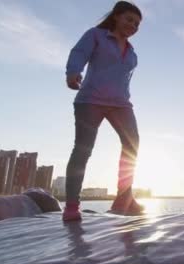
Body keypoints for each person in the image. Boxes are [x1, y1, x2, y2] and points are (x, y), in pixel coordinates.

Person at [63, 1, 144, 221]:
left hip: (121, 104)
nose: (133, 26)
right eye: (129, 19)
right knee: (83, 150)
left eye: (137, 24)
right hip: (90, 100)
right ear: (116, 16)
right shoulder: (96, 35)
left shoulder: (131, 51)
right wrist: (73, 72)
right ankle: (71, 205)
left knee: (132, 144)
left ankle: (124, 198)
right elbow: (79, 53)